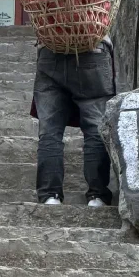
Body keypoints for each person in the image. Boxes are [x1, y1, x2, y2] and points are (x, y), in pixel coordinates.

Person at [31, 35, 116, 207]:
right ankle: (97, 196)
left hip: (51, 48)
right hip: (93, 48)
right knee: (95, 129)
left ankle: (50, 195)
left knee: (50, 131)